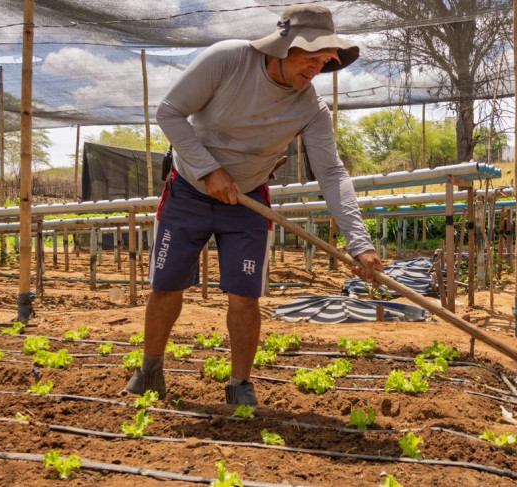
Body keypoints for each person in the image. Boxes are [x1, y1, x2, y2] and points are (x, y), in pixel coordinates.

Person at [123, 4, 382, 405]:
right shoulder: (228, 60)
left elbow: (332, 174)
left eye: (324, 61)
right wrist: (209, 170)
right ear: (282, 47)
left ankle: (239, 385)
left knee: (245, 294)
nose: (316, 69)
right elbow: (169, 112)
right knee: (166, 285)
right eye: (309, 58)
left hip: (247, 201)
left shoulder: (311, 109)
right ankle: (150, 369)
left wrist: (359, 242)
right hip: (188, 190)